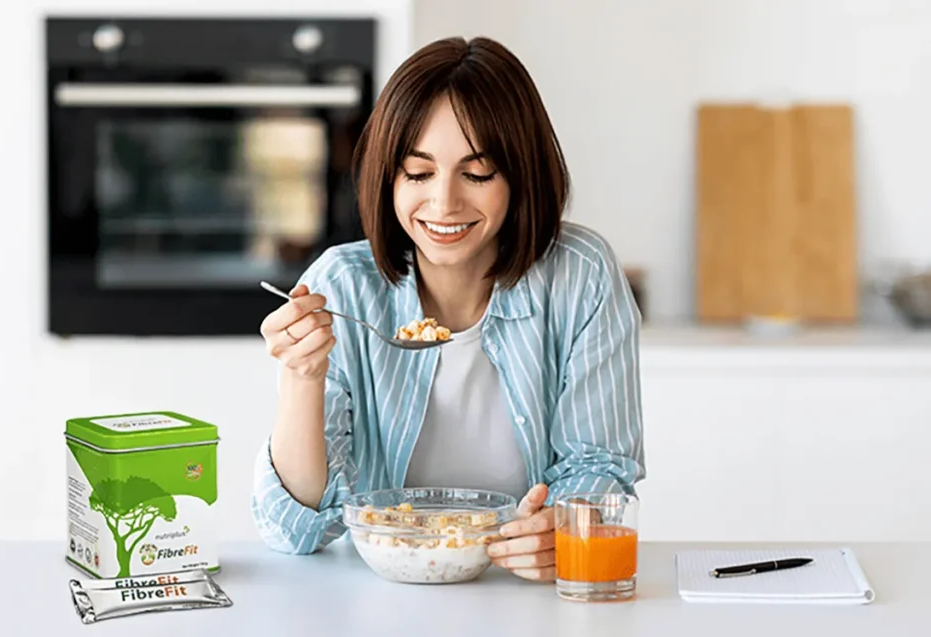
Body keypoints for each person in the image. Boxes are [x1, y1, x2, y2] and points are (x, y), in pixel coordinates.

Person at [251, 35, 645, 582]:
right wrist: (301, 375)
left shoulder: (580, 274)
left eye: (477, 173)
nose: (444, 203)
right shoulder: (342, 286)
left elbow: (599, 468)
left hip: (524, 594)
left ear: (521, 175)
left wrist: (565, 528)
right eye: (418, 173)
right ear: (388, 177)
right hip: (382, 594)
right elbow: (295, 532)